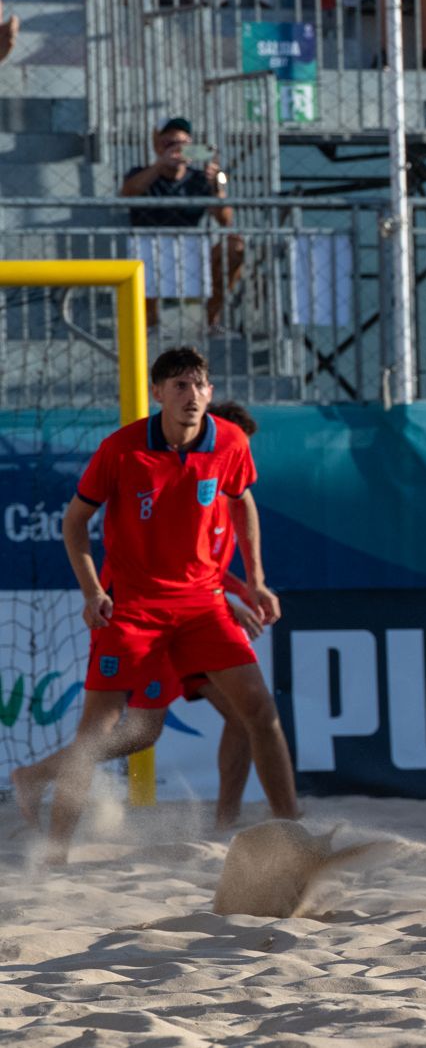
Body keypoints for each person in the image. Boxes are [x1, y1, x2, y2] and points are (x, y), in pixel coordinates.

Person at [10, 349, 298, 861]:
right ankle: (54, 849)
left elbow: (243, 501)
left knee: (255, 708)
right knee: (110, 733)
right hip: (135, 608)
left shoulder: (229, 442)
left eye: (199, 385)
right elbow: (74, 522)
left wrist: (255, 582)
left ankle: (288, 832)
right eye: (180, 386)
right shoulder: (121, 450)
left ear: (211, 392)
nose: (191, 396)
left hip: (204, 605)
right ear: (158, 393)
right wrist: (94, 591)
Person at [121, 116, 242, 331]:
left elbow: (225, 220)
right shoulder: (140, 174)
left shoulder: (201, 178)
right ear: (157, 147)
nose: (178, 150)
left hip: (190, 252)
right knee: (142, 256)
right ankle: (150, 322)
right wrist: (161, 164)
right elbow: (128, 193)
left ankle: (210, 319)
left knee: (234, 247)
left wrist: (218, 187)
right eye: (170, 144)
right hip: (150, 252)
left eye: (185, 145)